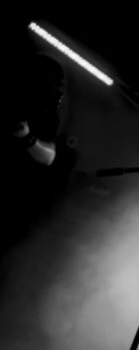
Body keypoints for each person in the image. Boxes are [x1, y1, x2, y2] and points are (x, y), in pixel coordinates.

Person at [1, 52, 64, 255]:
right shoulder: (10, 100)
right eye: (56, 84)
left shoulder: (49, 117)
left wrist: (27, 138)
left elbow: (49, 157)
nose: (60, 92)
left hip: (20, 202)